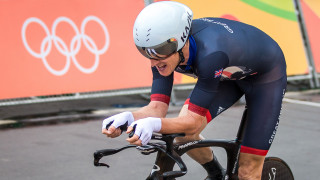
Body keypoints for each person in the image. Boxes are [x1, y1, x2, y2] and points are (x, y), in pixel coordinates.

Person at [102, 1, 287, 180]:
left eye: (158, 51)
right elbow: (157, 108)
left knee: (247, 172)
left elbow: (193, 123)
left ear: (180, 41)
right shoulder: (161, 53)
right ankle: (216, 173)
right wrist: (129, 117)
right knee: (183, 137)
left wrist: (154, 124)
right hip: (227, 73)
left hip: (265, 78)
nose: (153, 61)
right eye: (145, 52)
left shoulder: (210, 54)